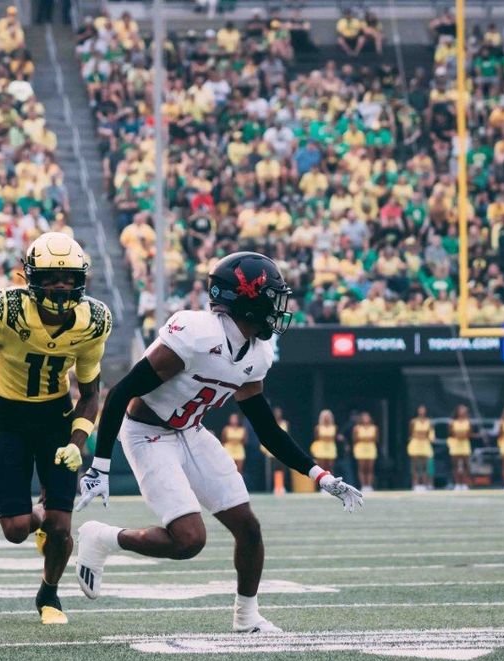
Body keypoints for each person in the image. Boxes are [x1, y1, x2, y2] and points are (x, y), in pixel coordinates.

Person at [72, 252, 363, 634]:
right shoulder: (196, 335)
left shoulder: (257, 353)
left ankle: (246, 618)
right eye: (272, 298)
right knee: (189, 540)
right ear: (247, 298)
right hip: (147, 432)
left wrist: (320, 475)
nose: (278, 308)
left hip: (190, 431)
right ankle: (102, 537)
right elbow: (122, 391)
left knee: (249, 527)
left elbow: (266, 427)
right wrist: (101, 464)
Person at [0, 233, 111, 625]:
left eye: (68, 277)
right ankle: (37, 515)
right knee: (16, 529)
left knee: (61, 526)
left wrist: (78, 440)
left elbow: (90, 393)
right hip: (11, 418)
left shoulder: (93, 321)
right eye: (52, 277)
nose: (60, 286)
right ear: (31, 277)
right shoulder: (8, 309)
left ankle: (50, 595)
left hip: (55, 417)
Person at [407, 405, 434, 491]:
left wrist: (430, 438)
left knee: (425, 465)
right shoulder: (413, 422)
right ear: (417, 411)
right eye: (420, 410)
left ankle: (424, 484)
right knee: (415, 465)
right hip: (415, 443)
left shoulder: (429, 422)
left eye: (423, 410)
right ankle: (415, 484)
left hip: (425, 443)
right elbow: (411, 433)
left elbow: (431, 433)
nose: (422, 412)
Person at [352, 411, 379, 492]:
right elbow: (355, 439)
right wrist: (366, 439)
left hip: (371, 448)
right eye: (364, 417)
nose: (366, 419)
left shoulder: (374, 427)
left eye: (367, 417)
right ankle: (363, 485)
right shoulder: (357, 428)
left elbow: (376, 439)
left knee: (370, 468)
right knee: (362, 468)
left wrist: (365, 439)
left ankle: (369, 485)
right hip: (361, 448)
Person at [448, 405, 472, 490]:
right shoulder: (452, 422)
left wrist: (464, 435)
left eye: (464, 410)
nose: (462, 412)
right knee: (455, 465)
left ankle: (465, 483)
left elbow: (470, 434)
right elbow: (450, 433)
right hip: (456, 444)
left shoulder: (468, 422)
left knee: (466, 464)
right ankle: (457, 483)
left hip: (464, 444)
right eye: (461, 410)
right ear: (457, 411)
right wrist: (457, 435)